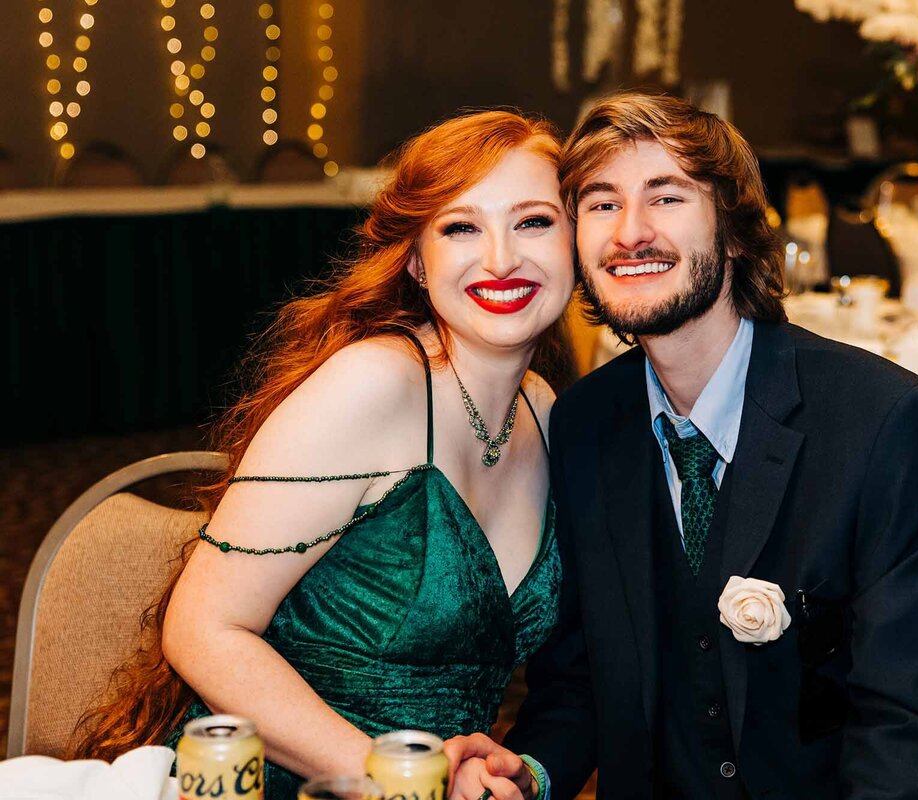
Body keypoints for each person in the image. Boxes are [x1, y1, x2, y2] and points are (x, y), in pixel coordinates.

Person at [446, 92, 918, 799]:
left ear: (735, 232)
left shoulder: (884, 424)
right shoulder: (585, 423)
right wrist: (529, 772)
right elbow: (580, 681)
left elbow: (909, 737)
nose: (630, 233)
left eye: (666, 198)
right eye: (602, 204)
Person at [69, 110, 574, 800]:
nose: (501, 258)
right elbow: (201, 628)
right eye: (462, 227)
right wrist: (398, 778)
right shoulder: (376, 383)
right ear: (418, 262)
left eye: (534, 222)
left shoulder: (546, 412)